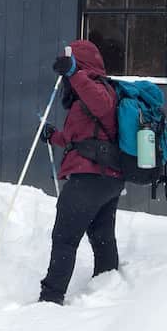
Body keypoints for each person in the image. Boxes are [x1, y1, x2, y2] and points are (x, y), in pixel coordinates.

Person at [38, 39, 124, 305]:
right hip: (105, 177)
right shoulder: (86, 97)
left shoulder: (99, 89)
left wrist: (75, 72)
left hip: (90, 178)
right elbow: (82, 140)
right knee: (101, 234)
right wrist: (55, 137)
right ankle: (107, 285)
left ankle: (51, 298)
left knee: (64, 237)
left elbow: (101, 105)